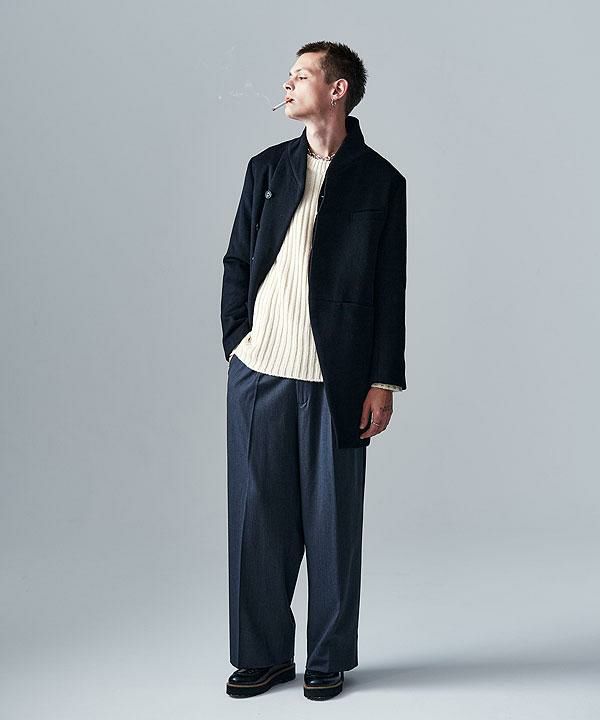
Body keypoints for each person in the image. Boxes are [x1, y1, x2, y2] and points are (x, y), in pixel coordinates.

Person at [220, 41, 407, 701]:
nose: (287, 84)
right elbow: (237, 259)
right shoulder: (266, 169)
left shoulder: (381, 181)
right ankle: (262, 655)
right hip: (259, 373)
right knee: (256, 520)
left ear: (337, 89)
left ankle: (328, 657)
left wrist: (383, 379)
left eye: (301, 75)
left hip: (339, 380)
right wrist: (237, 342)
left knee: (333, 524)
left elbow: (389, 288)